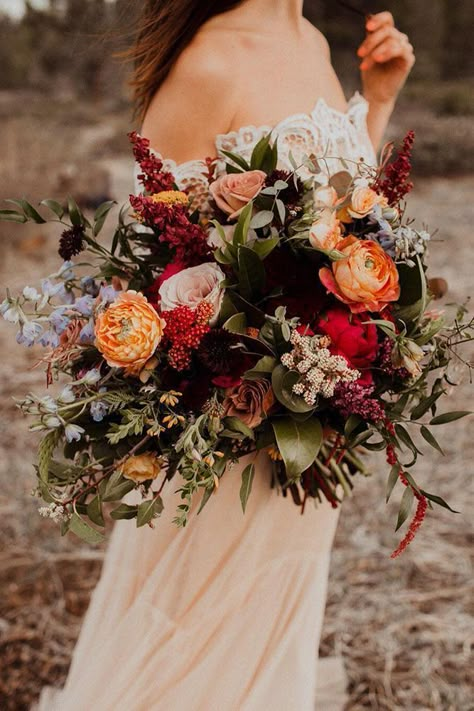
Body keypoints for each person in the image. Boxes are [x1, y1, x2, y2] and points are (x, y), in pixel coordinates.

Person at [37, 2, 415, 709]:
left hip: (311, 421)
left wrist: (381, 100)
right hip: (227, 435)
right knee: (195, 632)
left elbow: (338, 206)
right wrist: (252, 368)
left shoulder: (308, 38)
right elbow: (148, 266)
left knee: (274, 616)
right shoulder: (209, 62)